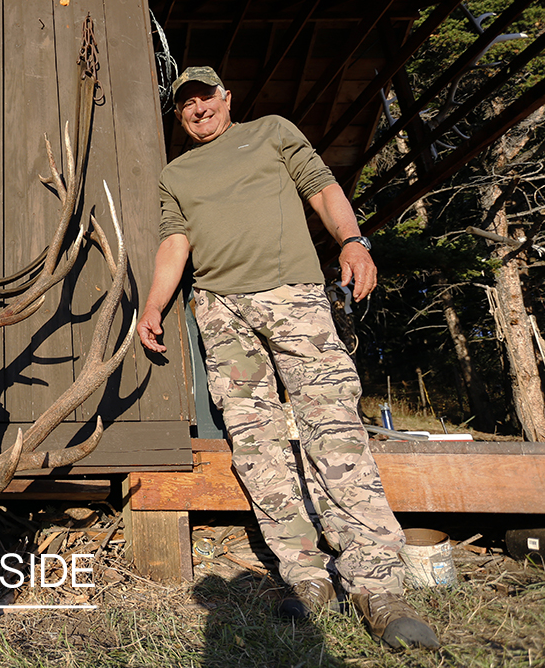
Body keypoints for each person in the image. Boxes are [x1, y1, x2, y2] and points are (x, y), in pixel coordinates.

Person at [137, 67, 439, 650]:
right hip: (221, 311)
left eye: (206, 97)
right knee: (256, 443)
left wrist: (353, 241)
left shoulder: (272, 131)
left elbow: (322, 188)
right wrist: (154, 304)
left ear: (228, 97)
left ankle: (379, 586)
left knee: (334, 429)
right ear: (178, 115)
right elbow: (176, 243)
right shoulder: (175, 174)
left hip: (294, 296)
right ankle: (306, 578)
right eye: (186, 104)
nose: (197, 108)